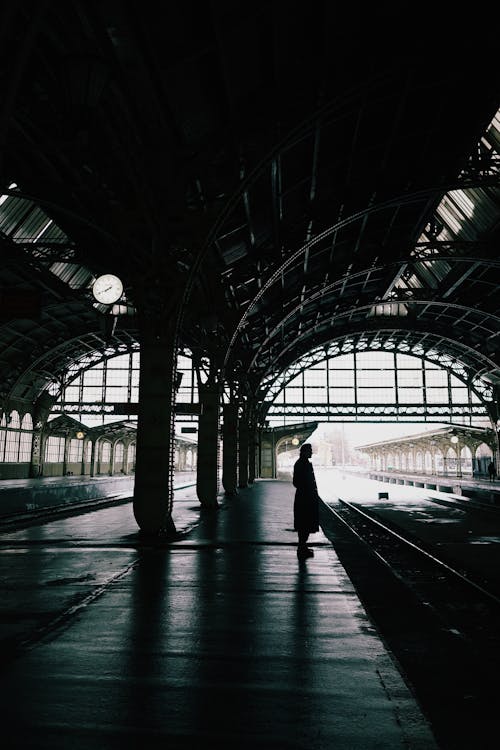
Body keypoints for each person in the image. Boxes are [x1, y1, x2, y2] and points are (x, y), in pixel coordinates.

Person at [292, 443, 320, 559]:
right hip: (305, 499)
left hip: (305, 497)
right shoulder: (302, 464)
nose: (311, 452)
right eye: (310, 450)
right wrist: (308, 491)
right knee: (304, 524)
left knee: (304, 524)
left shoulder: (302, 463)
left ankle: (303, 547)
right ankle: (302, 548)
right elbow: (297, 482)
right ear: (304, 452)